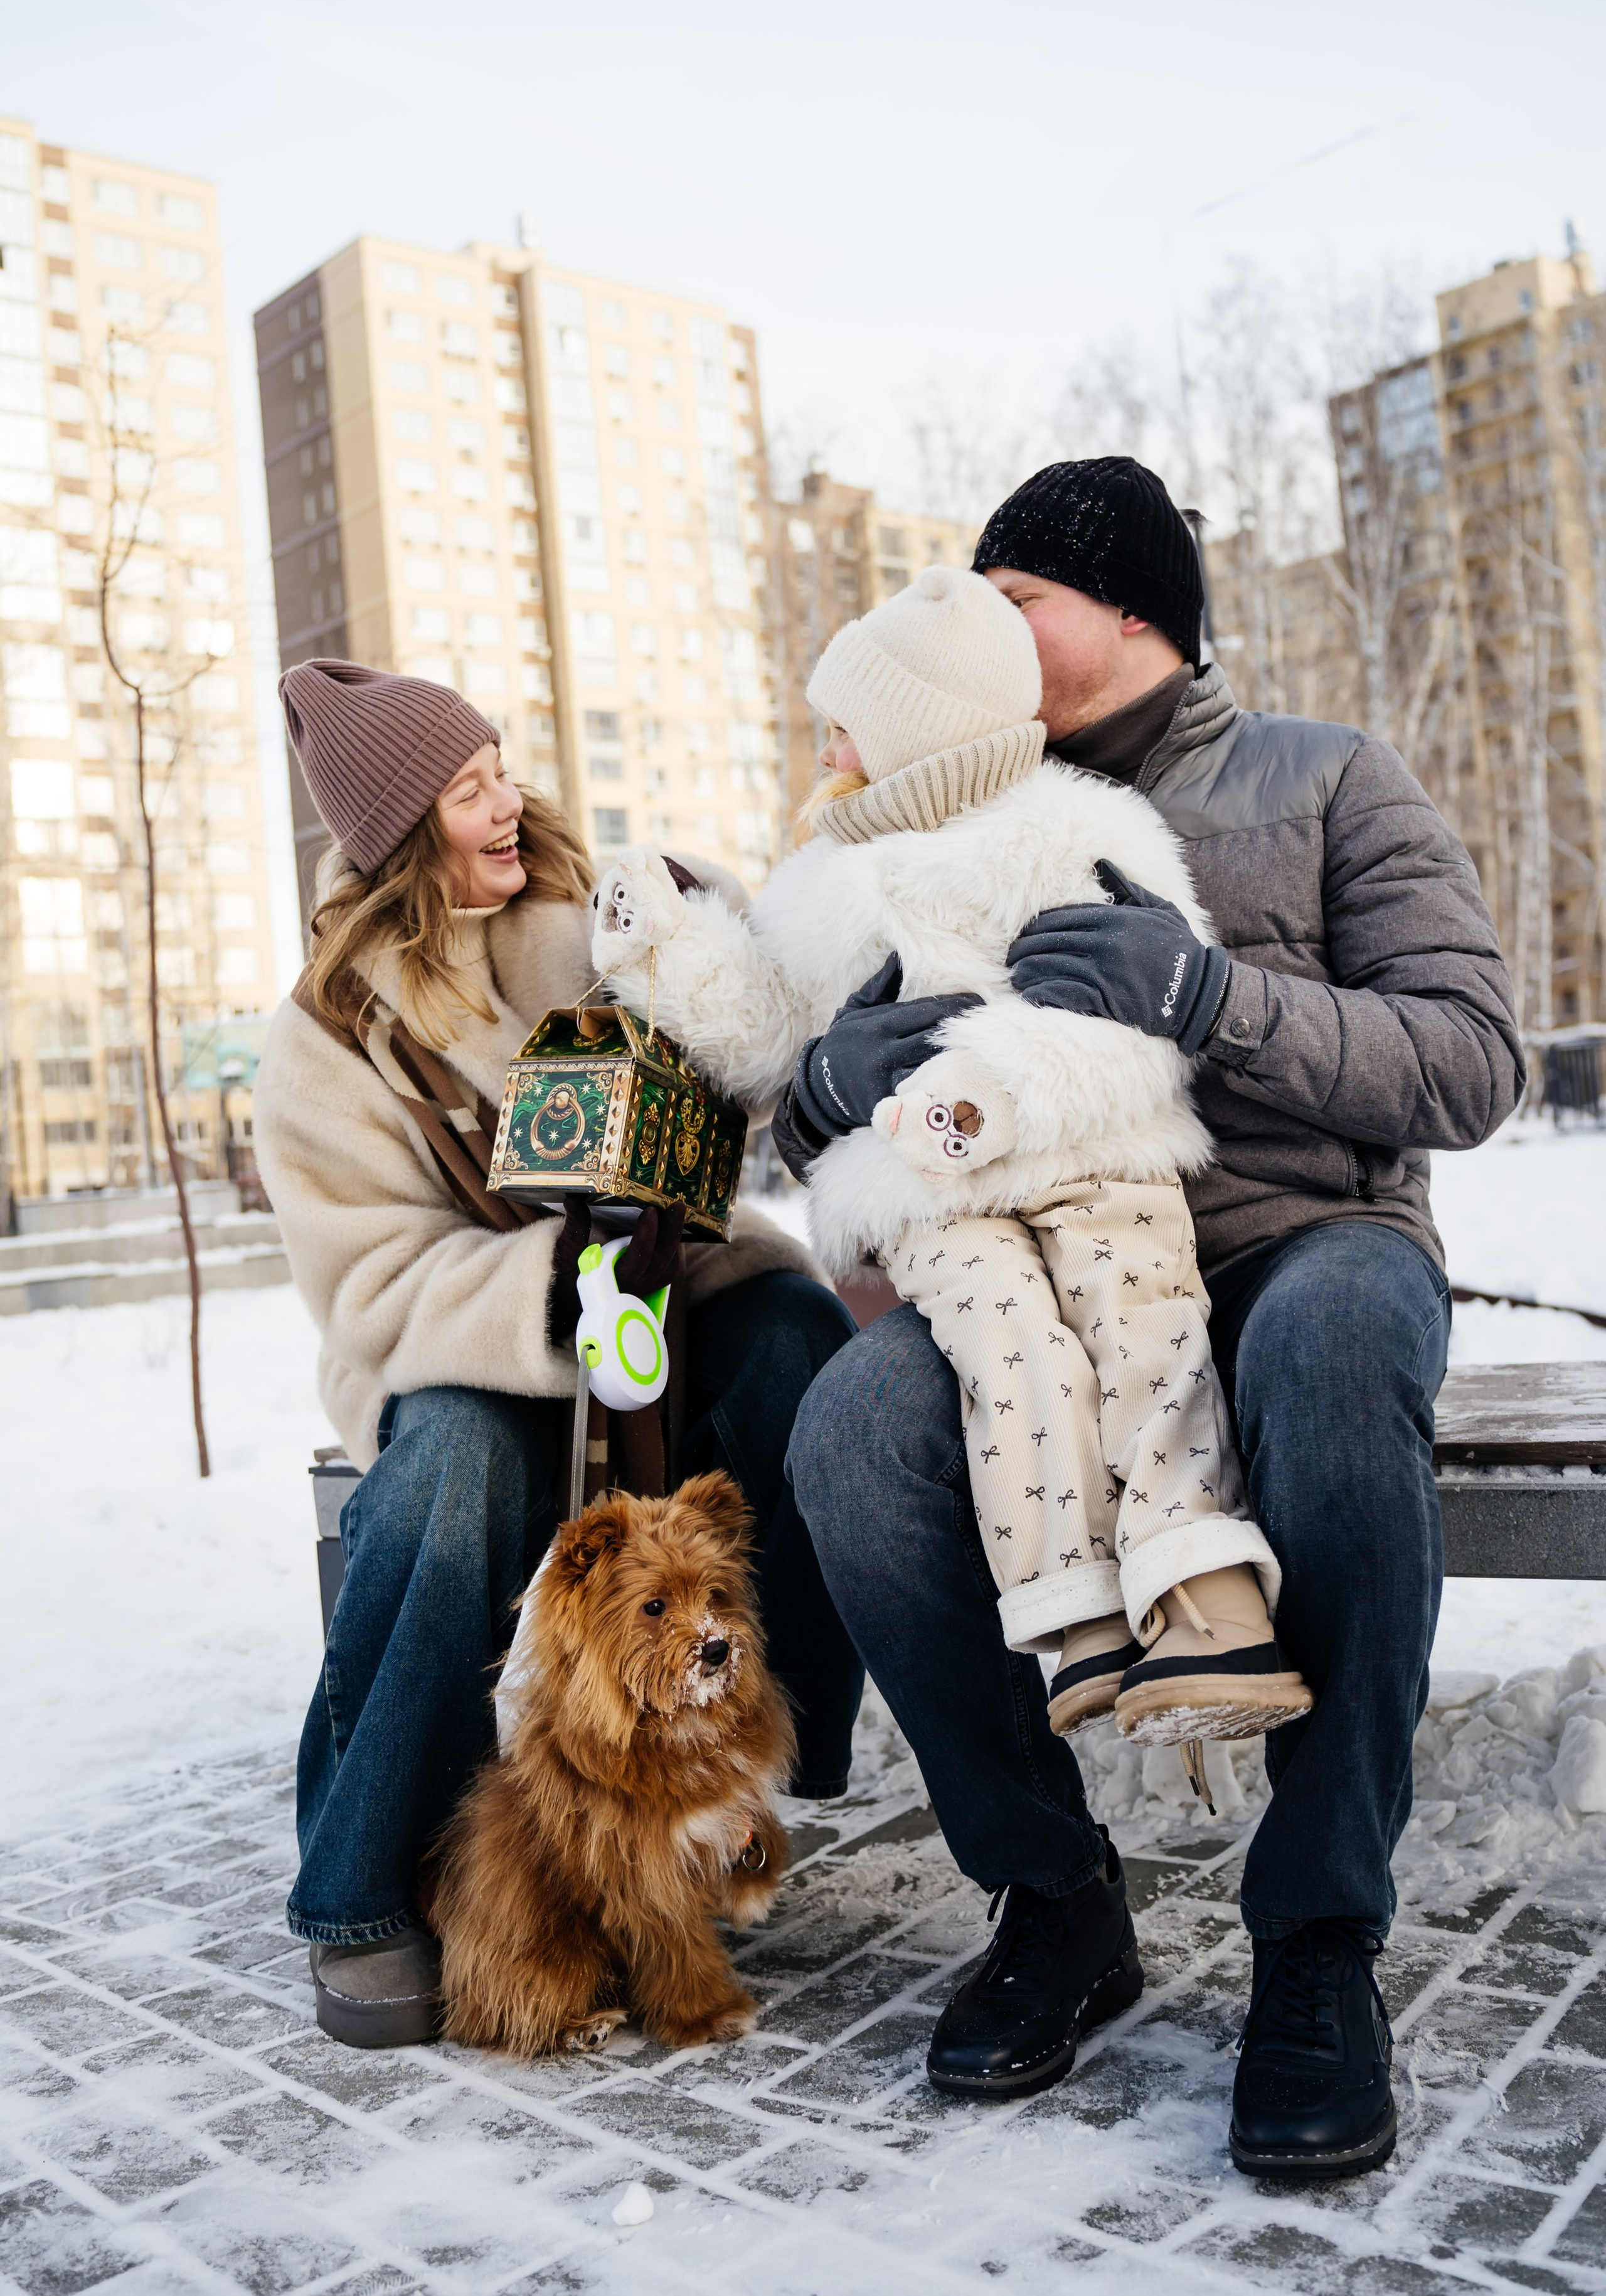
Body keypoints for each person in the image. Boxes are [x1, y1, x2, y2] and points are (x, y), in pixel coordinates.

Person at [779, 457, 1524, 2177]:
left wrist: (1210, 995)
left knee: (1333, 1368)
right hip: (1028, 1267)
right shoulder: (923, 810)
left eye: (1011, 592)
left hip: (1295, 1237)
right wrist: (827, 1085)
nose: (975, 624)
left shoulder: (1325, 775)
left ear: (1130, 611)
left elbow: (1471, 1058)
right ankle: (1055, 1900)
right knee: (854, 1429)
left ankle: (1319, 1941)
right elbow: (795, 1089)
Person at [592, 565, 1307, 1755]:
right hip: (933, 1196)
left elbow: (1131, 1021)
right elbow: (772, 1029)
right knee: (1007, 1345)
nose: (826, 740)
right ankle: (1076, 1614)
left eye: (849, 717)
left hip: (1091, 1151)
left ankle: (1205, 1598)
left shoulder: (1076, 827)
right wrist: (669, 950)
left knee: (1141, 1323)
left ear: (918, 725)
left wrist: (995, 1086)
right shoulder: (821, 877)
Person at [253, 658, 862, 2051]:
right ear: (404, 834)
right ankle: (357, 1894)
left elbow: (746, 1028)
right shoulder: (328, 1043)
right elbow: (369, 1281)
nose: (506, 801)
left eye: (499, 768)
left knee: (798, 1348)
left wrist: (694, 918)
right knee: (442, 1485)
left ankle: (760, 1759)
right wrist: (558, 1293)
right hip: (485, 1357)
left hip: (671, 1303)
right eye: (467, 790)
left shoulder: (581, 924)